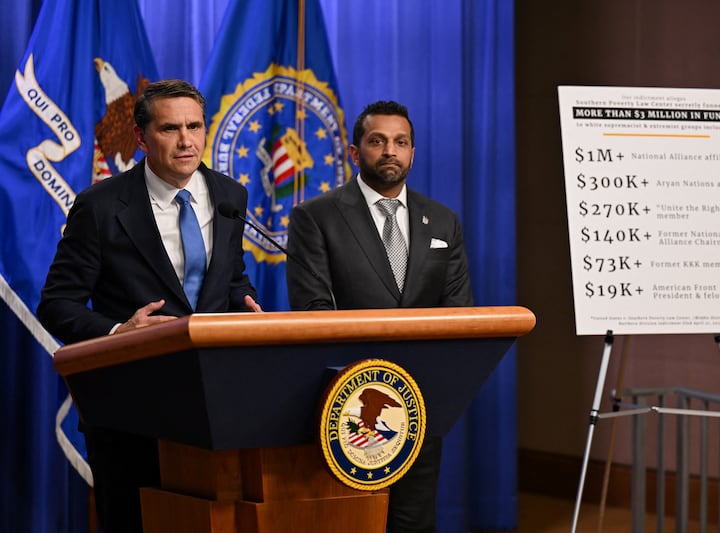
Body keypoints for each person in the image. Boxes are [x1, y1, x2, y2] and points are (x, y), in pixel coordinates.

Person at [37, 79, 261, 533]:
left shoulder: (229, 196)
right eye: (170, 129)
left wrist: (243, 304)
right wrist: (120, 331)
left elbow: (229, 279)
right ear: (141, 137)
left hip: (216, 409)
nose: (186, 141)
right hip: (131, 411)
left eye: (195, 126)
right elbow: (57, 304)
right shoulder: (100, 207)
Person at [286, 100, 473, 532]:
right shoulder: (315, 217)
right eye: (377, 141)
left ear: (412, 152)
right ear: (355, 152)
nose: (390, 150)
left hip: (420, 402)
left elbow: (459, 311)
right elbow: (314, 310)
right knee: (349, 522)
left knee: (414, 521)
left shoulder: (443, 221)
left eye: (400, 142)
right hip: (346, 406)